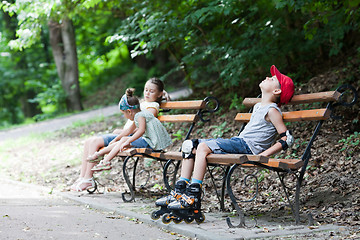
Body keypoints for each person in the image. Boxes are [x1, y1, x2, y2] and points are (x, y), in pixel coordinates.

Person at [157, 65, 295, 223]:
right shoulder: (258, 106)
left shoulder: (272, 110)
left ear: (277, 91)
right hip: (239, 143)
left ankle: (193, 196)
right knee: (189, 146)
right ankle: (180, 192)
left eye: (273, 79)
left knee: (202, 147)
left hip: (246, 147)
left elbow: (287, 138)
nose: (268, 77)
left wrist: (263, 155)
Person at [71, 78, 170, 192]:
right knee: (89, 141)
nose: (147, 93)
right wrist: (120, 135)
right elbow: (131, 128)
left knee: (96, 142)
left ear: (159, 94)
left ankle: (89, 177)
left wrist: (124, 137)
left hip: (141, 139)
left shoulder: (151, 108)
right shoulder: (142, 105)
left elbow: (141, 128)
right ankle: (82, 177)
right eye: (146, 90)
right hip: (128, 135)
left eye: (151, 91)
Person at [88, 88, 172, 171]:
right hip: (149, 141)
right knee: (122, 141)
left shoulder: (140, 116)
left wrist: (128, 141)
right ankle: (100, 155)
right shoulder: (140, 114)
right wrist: (115, 139)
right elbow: (128, 131)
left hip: (153, 144)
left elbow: (141, 130)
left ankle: (105, 161)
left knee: (124, 140)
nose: (124, 116)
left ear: (129, 111)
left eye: (123, 114)